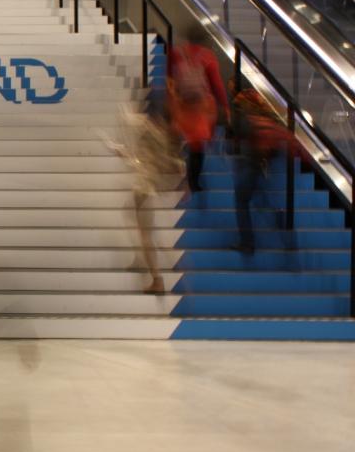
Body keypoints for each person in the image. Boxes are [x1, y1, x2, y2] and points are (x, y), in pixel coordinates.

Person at [103, 98, 184, 294]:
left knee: (145, 233)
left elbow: (136, 158)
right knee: (130, 215)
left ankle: (157, 279)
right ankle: (141, 259)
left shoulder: (149, 132)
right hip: (146, 187)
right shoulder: (162, 135)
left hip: (144, 188)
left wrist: (118, 149)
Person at [231, 86, 300, 255]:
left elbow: (238, 140)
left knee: (241, 201)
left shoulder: (249, 120)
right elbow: (288, 142)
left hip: (251, 165)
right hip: (264, 166)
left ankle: (247, 243)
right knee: (264, 199)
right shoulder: (270, 121)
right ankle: (285, 229)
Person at [168, 25, 229, 193]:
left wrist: (172, 99)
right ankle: (194, 181)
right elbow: (216, 84)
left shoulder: (176, 53)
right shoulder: (208, 56)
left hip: (182, 104)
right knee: (197, 145)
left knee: (176, 136)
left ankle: (174, 169)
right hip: (199, 107)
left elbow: (169, 78)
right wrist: (225, 105)